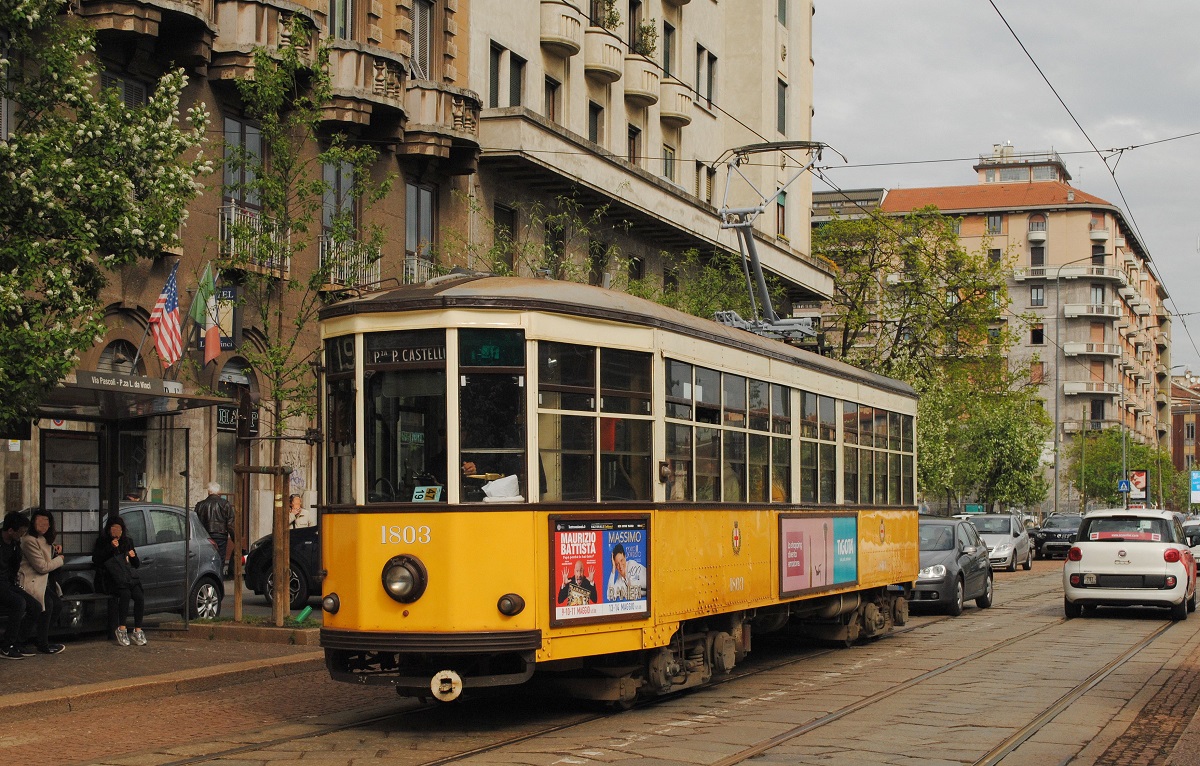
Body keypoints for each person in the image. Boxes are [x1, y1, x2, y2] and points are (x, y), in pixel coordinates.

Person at [16, 509, 66, 654]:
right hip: (31, 580)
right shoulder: (28, 540)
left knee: (56, 604)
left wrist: (55, 553)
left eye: (46, 523)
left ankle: (40, 639)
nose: (43, 526)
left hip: (44, 582)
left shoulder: (46, 539)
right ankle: (38, 642)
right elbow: (42, 567)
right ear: (33, 523)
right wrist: (60, 559)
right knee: (46, 605)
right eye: (40, 522)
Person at [92, 516, 146, 646]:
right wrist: (110, 548)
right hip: (110, 579)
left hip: (127, 578)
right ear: (109, 530)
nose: (116, 532)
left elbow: (136, 564)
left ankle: (137, 630)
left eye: (119, 529)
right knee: (125, 594)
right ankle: (122, 628)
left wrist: (133, 557)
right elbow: (97, 560)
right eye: (114, 529)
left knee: (139, 596)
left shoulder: (127, 542)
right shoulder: (103, 541)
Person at [0, 512, 31, 659]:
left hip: (8, 582)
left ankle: (18, 643)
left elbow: (14, 566)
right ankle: (6, 646)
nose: (22, 535)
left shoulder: (14, 544)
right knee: (19, 603)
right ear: (10, 530)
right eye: (21, 532)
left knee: (35, 606)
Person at [195, 482, 235, 572]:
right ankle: (218, 579)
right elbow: (231, 525)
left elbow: (196, 523)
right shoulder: (225, 504)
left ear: (208, 492)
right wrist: (235, 539)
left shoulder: (200, 505)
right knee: (220, 561)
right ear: (219, 492)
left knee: (206, 561)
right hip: (220, 536)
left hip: (205, 537)